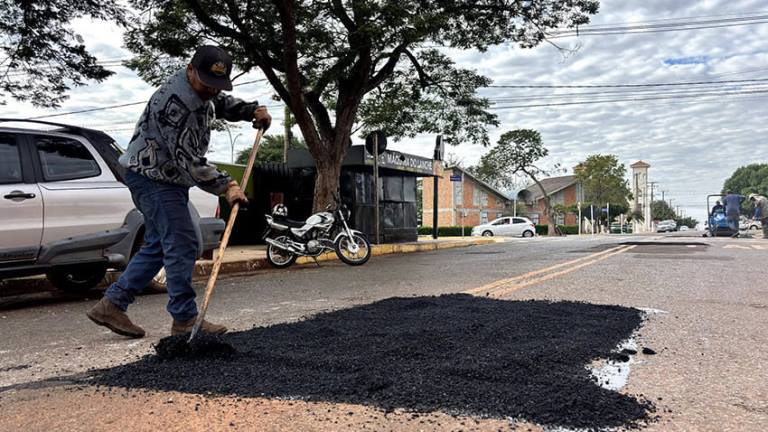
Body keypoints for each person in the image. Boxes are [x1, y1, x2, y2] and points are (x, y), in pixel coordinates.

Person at [87, 45, 271, 338]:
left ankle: (112, 304)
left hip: (166, 177)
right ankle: (184, 319)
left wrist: (249, 110)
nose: (211, 90)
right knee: (183, 242)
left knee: (161, 244)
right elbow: (191, 162)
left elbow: (218, 101)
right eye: (206, 83)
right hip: (153, 178)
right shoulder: (176, 107)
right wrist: (228, 185)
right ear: (190, 70)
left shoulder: (202, 88)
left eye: (216, 84)